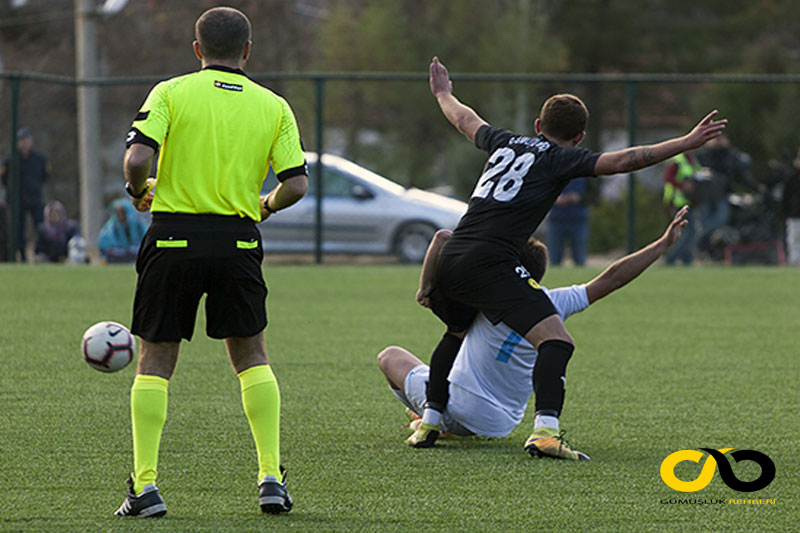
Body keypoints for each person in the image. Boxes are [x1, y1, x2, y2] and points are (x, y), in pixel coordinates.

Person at [409, 56, 726, 454]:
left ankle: (430, 423)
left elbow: (465, 120)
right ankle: (544, 433)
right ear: (579, 139)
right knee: (557, 341)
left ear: (538, 126)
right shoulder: (560, 158)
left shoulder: (505, 140)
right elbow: (625, 160)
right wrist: (684, 142)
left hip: (452, 255)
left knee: (455, 333)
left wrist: (443, 93)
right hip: (489, 261)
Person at [115, 7, 308, 518]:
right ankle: (270, 477)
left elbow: (137, 160)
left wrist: (140, 191)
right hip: (239, 242)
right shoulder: (274, 105)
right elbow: (296, 183)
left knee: (156, 358)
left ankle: (147, 488)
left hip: (173, 237)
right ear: (247, 50)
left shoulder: (171, 92)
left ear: (197, 50)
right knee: (251, 355)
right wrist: (263, 205)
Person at [380, 207, 690, 458]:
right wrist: (662, 245)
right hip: (500, 423)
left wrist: (427, 287)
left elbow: (443, 239)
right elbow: (612, 277)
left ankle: (431, 417)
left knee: (390, 356)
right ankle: (438, 419)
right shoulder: (553, 302)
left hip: (458, 405)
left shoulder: (484, 294)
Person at [1, 127, 51, 261]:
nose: (24, 144)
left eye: (26, 140)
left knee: (40, 226)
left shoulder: (40, 159)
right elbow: (4, 179)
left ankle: (41, 253)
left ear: (32, 142)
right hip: (17, 200)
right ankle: (22, 254)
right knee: (18, 228)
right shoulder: (10, 160)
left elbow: (45, 176)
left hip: (34, 197)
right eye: (21, 141)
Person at [662, 151, 701, 265]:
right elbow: (667, 178)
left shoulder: (693, 161)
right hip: (677, 202)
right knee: (690, 232)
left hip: (689, 202)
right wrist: (683, 185)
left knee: (689, 232)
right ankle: (671, 259)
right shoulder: (677, 161)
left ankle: (686, 260)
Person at [546, 177, 590, 266]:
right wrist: (555, 199)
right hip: (556, 219)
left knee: (579, 257)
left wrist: (579, 198)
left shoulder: (586, 175)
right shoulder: (554, 171)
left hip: (578, 219)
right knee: (554, 258)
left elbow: (594, 195)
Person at [97, 198, 148, 263]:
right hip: (119, 253)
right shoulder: (112, 226)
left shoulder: (138, 224)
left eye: (122, 212)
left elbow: (144, 238)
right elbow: (105, 244)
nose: (119, 215)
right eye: (117, 212)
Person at [782, 148, 800, 265]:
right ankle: (795, 264)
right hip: (795, 215)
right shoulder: (792, 177)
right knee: (794, 242)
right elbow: (786, 197)